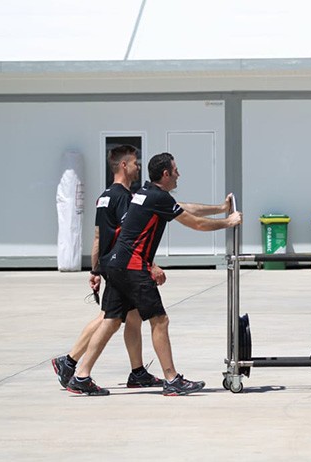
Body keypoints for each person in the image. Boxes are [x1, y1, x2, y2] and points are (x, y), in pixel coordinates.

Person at [66, 152, 242, 396]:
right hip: (132, 267)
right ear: (166, 174)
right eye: (176, 170)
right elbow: (194, 223)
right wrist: (228, 222)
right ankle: (171, 379)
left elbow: (186, 209)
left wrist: (220, 209)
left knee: (111, 320)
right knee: (160, 320)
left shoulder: (145, 194)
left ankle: (81, 376)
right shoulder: (157, 197)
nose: (179, 174)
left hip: (116, 265)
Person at [52, 145, 166, 389]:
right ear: (123, 165)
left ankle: (137, 372)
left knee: (132, 317)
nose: (138, 167)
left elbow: (96, 237)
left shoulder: (103, 197)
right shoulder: (123, 198)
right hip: (123, 266)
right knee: (109, 318)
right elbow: (130, 236)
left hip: (109, 263)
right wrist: (151, 265)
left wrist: (95, 270)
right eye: (135, 162)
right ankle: (70, 361)